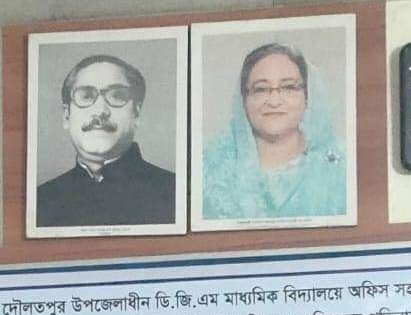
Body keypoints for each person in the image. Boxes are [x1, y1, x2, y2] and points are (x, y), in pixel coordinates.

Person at [201, 41, 348, 222]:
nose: (274, 101)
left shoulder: (340, 168)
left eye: (288, 87)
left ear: (307, 96)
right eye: (261, 89)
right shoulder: (209, 171)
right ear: (244, 100)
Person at [35, 53, 175, 229]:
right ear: (66, 116)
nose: (100, 110)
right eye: (86, 96)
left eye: (116, 96)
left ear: (136, 113)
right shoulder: (40, 201)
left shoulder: (175, 192)